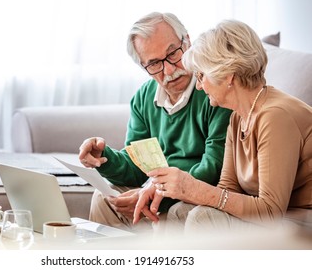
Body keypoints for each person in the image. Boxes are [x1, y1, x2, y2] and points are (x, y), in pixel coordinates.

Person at [133, 19, 312, 233]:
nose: (198, 85)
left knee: (202, 217)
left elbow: (271, 210)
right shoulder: (238, 117)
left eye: (201, 75)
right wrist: (182, 189)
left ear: (227, 75)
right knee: (180, 211)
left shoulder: (275, 116)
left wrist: (194, 188)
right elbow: (227, 189)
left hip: (300, 219)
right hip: (274, 218)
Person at [78, 12, 232, 231]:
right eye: (154, 64)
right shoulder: (143, 98)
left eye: (173, 54)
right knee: (104, 197)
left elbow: (214, 168)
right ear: (143, 67)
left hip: (196, 193)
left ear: (187, 41)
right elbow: (138, 166)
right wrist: (104, 157)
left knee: (174, 212)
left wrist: (156, 191)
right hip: (158, 191)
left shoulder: (213, 90)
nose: (169, 70)